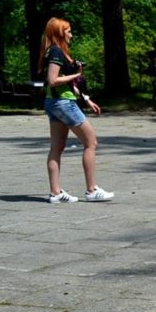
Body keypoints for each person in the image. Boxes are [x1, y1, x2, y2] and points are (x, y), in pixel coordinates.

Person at [38, 17, 114, 204]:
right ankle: (92, 190)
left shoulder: (54, 51)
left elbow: (64, 83)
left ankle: (56, 193)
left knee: (57, 148)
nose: (71, 35)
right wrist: (77, 74)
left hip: (55, 102)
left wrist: (86, 98)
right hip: (64, 103)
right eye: (68, 31)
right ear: (59, 32)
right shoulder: (56, 51)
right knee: (91, 142)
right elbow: (53, 80)